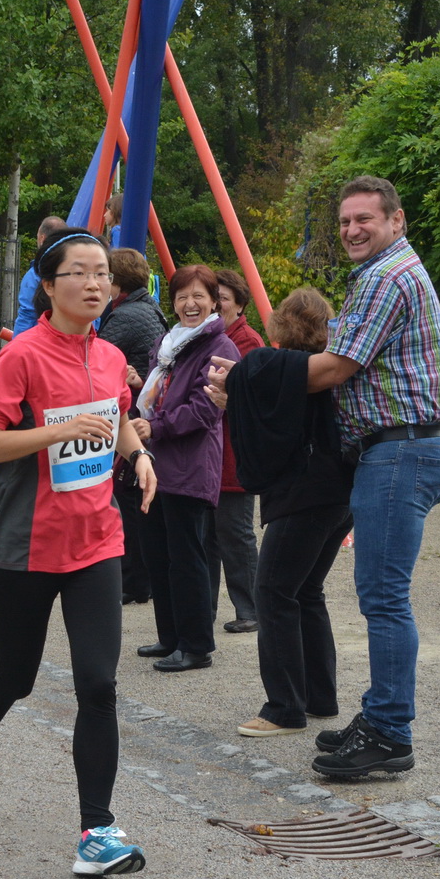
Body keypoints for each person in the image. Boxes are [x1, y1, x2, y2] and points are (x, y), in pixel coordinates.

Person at [212, 175, 440, 778]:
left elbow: (336, 368)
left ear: (396, 221)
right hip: (398, 451)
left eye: (365, 219)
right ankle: (377, 716)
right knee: (374, 595)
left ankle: (390, 732)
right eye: (345, 221)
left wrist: (248, 380)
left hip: (400, 453)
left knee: (384, 598)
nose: (352, 230)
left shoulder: (384, 278)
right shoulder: (392, 273)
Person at [0, 229, 157, 878]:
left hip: (97, 539)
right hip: (24, 545)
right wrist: (57, 430)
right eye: (79, 272)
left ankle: (97, 829)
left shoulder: (111, 353)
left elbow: (116, 415)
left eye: (102, 273)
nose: (94, 284)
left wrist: (138, 454)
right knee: (17, 675)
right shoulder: (24, 357)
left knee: (98, 684)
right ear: (49, 283)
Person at [221, 288, 353, 738]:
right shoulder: (327, 373)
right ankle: (319, 696)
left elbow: (256, 386)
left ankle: (284, 708)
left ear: (278, 324)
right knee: (307, 590)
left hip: (305, 496)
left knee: (274, 591)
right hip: (339, 495)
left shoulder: (274, 367)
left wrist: (235, 386)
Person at [134, 264, 236, 673]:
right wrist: (135, 387)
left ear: (214, 301)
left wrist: (153, 425)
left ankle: (196, 645)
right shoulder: (168, 344)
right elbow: (159, 398)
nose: (189, 304)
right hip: (157, 464)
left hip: (190, 467)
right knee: (158, 556)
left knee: (188, 557)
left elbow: (204, 411)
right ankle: (170, 636)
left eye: (198, 296)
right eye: (181, 296)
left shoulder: (221, 348)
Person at [96, 247, 166, 605]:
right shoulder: (149, 307)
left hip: (132, 415)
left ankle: (135, 580)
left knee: (127, 499)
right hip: (142, 407)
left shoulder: (124, 315)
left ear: (116, 281)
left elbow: (93, 358)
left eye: (104, 276)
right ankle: (141, 578)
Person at [209, 267, 264, 633]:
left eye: (222, 300)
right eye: (212, 298)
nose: (215, 306)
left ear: (240, 304)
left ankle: (253, 608)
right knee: (210, 535)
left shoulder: (246, 341)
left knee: (235, 532)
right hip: (209, 455)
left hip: (232, 454)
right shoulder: (206, 337)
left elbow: (255, 398)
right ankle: (206, 609)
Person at [11, 216, 70, 336]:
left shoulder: (36, 274)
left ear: (42, 239)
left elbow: (27, 314)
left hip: (41, 342)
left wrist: (17, 344)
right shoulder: (78, 270)